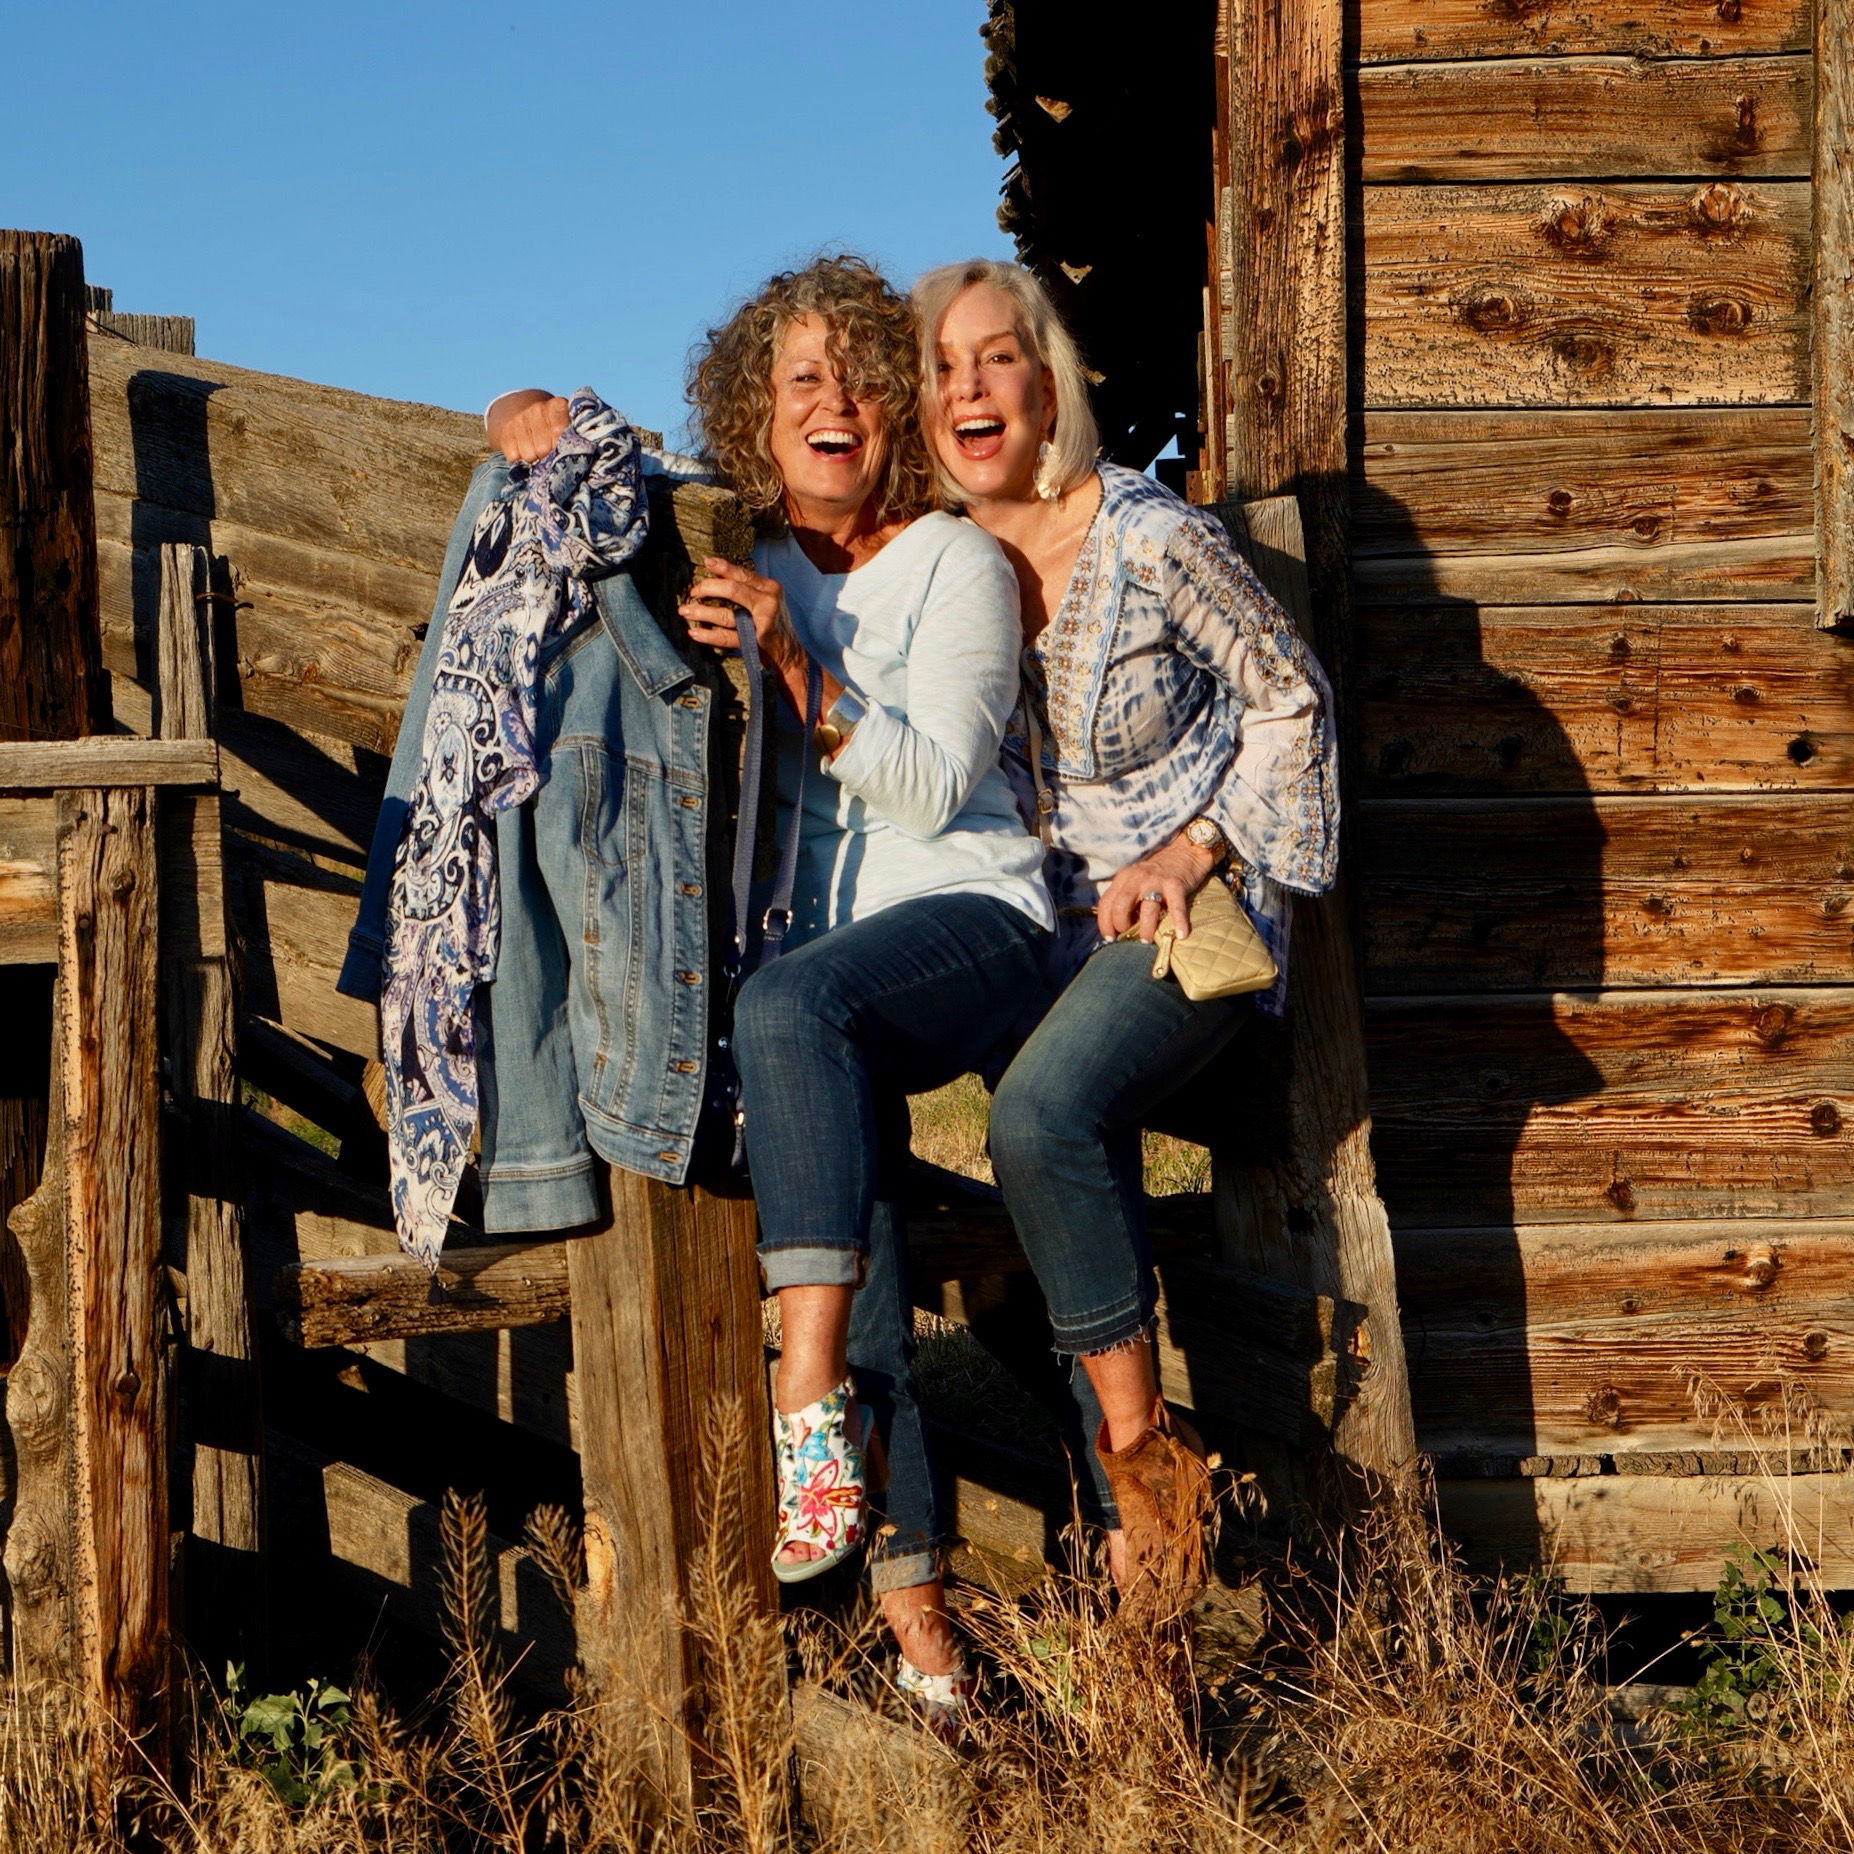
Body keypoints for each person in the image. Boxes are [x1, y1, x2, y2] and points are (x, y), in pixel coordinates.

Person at [489, 256, 1051, 1717]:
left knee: (788, 1014)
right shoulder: (730, 554)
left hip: (971, 925)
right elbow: (591, 464)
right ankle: (922, 1620)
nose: (835, 403)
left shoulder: (957, 566)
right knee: (834, 1157)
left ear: (897, 414)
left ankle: (801, 1386)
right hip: (825, 974)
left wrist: (802, 671)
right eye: (800, 380)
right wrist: (532, 420)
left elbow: (932, 791)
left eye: (861, 378)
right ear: (757, 412)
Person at [911, 257, 1340, 1617]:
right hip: (1035, 915)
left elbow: (1290, 700)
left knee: (1038, 1112)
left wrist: (1192, 846)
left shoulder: (1149, 536)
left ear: (1047, 385)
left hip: (1184, 911)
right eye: (939, 368)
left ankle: (1145, 1489)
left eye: (993, 358)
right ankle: (900, 1506)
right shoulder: (946, 561)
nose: (963, 387)